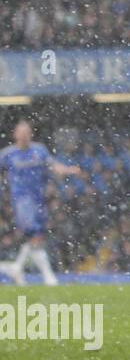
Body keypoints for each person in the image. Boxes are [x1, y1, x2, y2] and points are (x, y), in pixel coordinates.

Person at [0, 121, 83, 286]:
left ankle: (16, 267)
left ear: (30, 134)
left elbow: (53, 165)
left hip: (39, 199)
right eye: (21, 132)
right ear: (15, 134)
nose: (24, 135)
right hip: (22, 199)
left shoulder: (39, 150)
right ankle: (48, 276)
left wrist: (67, 170)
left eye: (27, 132)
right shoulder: (8, 154)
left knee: (36, 236)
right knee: (35, 234)